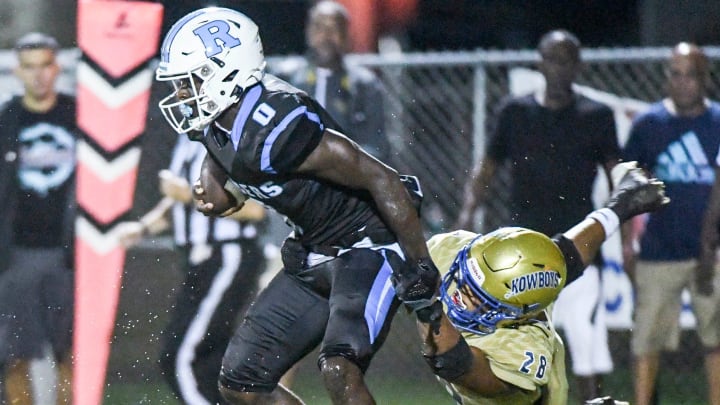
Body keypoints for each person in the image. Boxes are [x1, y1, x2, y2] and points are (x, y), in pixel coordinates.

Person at [155, 7, 441, 404]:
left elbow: (382, 177)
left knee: (340, 371)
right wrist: (221, 189)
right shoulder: (223, 115)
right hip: (311, 251)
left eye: (190, 82)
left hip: (366, 246)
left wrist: (419, 261)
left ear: (225, 72)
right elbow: (222, 164)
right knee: (241, 382)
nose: (182, 94)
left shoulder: (279, 126)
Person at [414, 161, 668, 404]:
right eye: (465, 280)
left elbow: (456, 365)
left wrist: (426, 304)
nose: (458, 296)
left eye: (476, 298)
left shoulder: (525, 347)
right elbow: (569, 254)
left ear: (514, 316)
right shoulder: (453, 252)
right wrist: (619, 207)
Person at [454, 29, 620, 400]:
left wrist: (619, 221)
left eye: (566, 60)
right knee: (530, 346)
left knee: (586, 342)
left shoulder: (597, 116)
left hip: (577, 251)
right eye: (552, 59)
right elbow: (486, 169)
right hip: (523, 256)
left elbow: (616, 176)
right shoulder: (515, 112)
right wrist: (466, 217)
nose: (558, 68)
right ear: (539, 63)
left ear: (577, 66)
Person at [116, 133, 268, 404]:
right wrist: (142, 228)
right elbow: (178, 204)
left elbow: (256, 209)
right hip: (204, 261)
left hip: (227, 253)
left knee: (181, 358)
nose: (181, 96)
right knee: (211, 362)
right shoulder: (188, 140)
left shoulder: (231, 137)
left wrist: (185, 194)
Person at [621, 42, 720, 405]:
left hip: (713, 252)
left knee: (716, 339)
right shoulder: (649, 124)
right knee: (646, 341)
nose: (682, 84)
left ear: (705, 78)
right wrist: (626, 243)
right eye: (674, 75)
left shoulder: (717, 121)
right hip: (659, 250)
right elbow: (627, 187)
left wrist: (711, 245)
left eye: (690, 75)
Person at [0, 32, 75, 404]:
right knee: (15, 352)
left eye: (45, 65)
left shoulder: (80, 116)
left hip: (71, 254)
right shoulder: (6, 120)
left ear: (57, 67)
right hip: (18, 253)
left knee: (71, 351)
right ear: (17, 71)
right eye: (29, 67)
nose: (38, 76)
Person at [274, 0, 391, 163]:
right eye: (319, 27)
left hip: (345, 173)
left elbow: (376, 145)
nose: (326, 36)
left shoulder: (365, 84)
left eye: (334, 28)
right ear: (308, 32)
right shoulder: (285, 78)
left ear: (346, 35)